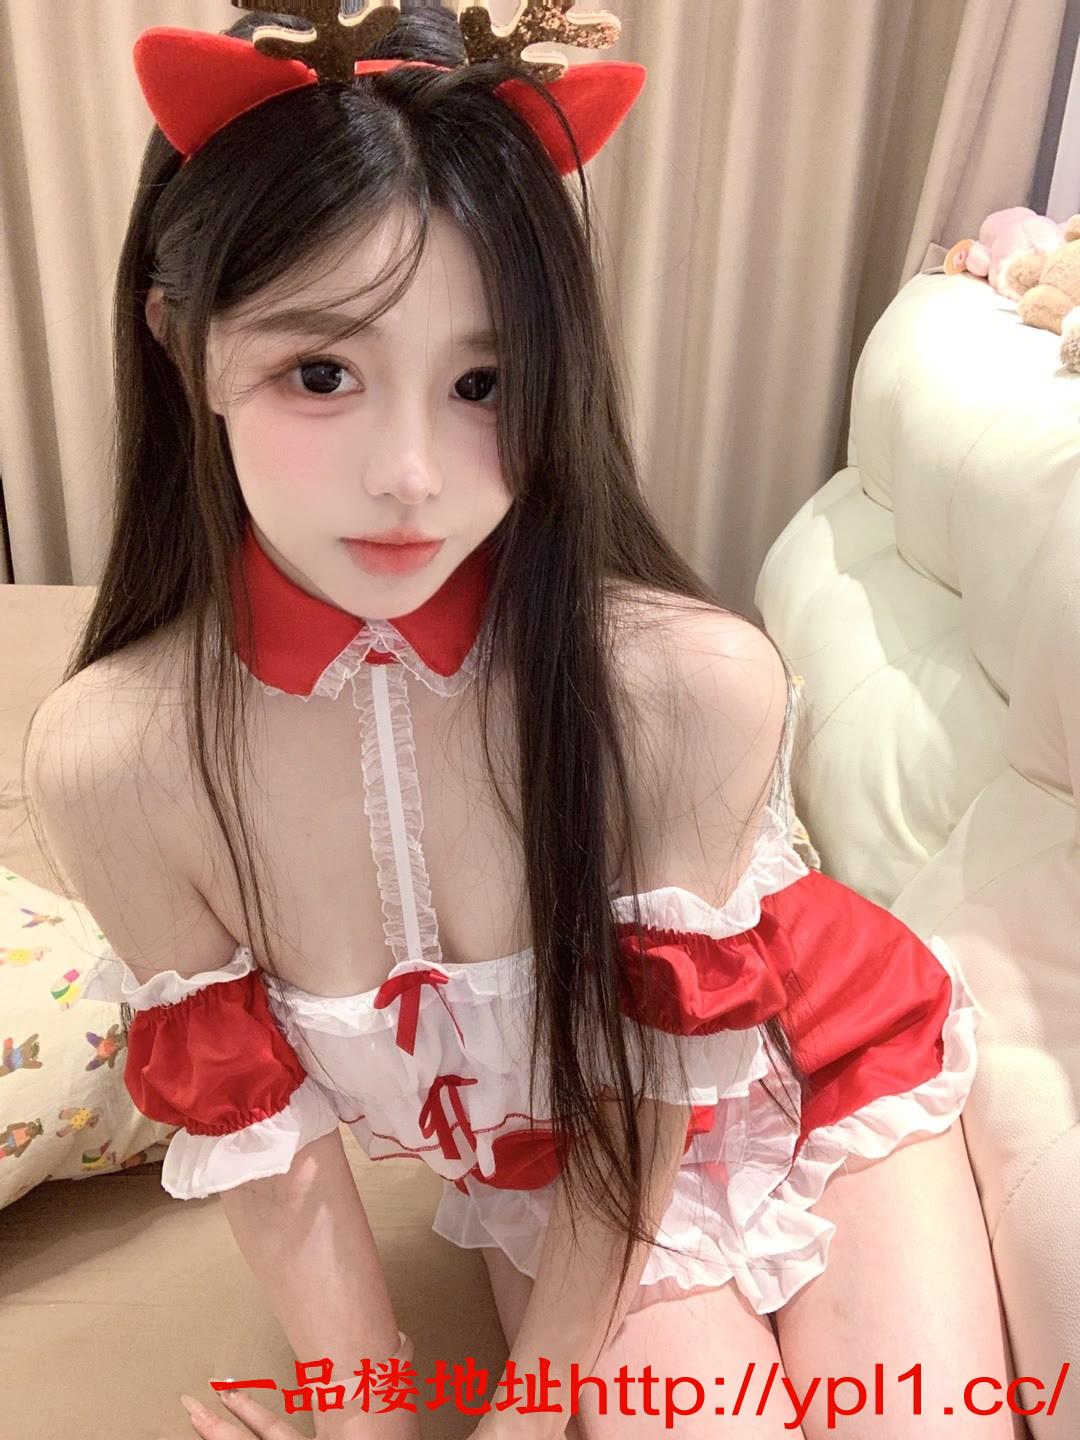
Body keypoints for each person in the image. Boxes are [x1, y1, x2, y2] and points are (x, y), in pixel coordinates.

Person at [23, 6, 1021, 1439]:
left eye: (483, 383)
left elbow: (646, 1085)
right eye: (322, 372)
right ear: (184, 342)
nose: (413, 474)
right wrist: (371, 1418)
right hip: (564, 1169)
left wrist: (527, 1412)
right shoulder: (117, 760)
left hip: (829, 1057)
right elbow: (265, 1141)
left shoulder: (688, 682)